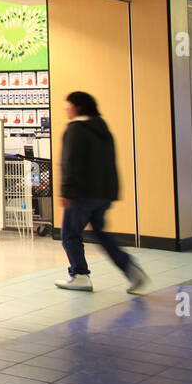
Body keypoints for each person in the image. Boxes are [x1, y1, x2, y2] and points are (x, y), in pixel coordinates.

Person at [55, 91, 148, 294]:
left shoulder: (75, 129)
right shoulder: (103, 129)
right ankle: (131, 269)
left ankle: (80, 275)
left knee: (70, 234)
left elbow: (70, 163)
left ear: (78, 107)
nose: (66, 109)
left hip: (81, 194)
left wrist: (66, 192)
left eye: (68, 105)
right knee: (101, 234)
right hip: (104, 193)